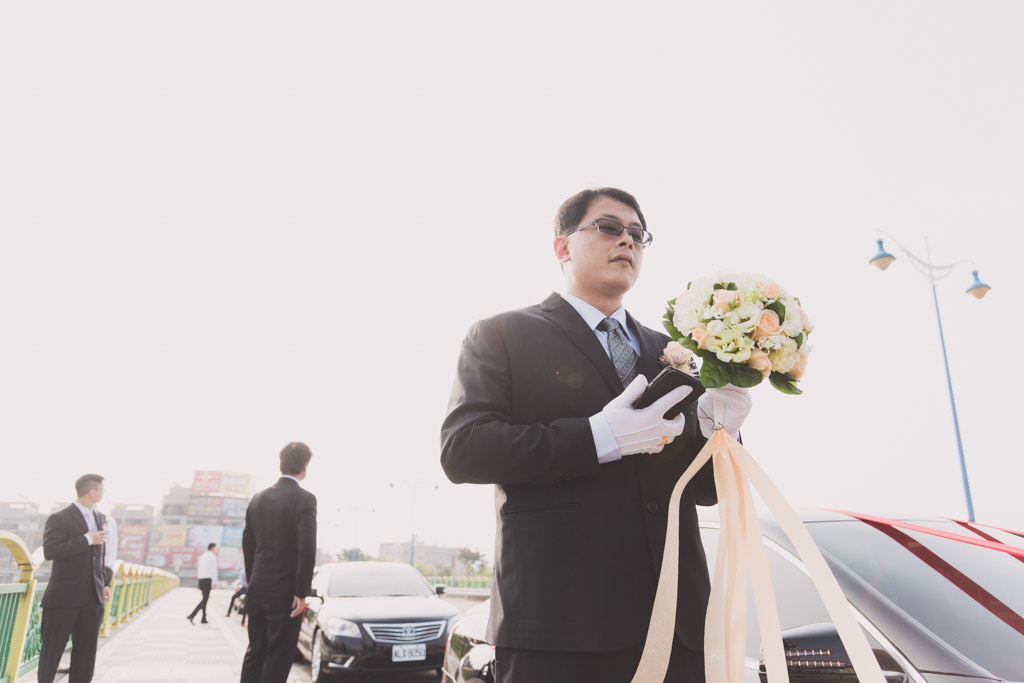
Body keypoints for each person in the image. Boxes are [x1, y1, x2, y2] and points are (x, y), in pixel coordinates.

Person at [440, 188, 753, 683]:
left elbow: (706, 491)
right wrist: (599, 436)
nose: (627, 241)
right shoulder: (501, 334)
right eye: (609, 227)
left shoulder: (674, 351)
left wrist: (723, 434)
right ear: (562, 246)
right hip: (560, 629)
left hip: (675, 627)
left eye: (638, 235)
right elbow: (464, 450)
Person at [239, 442, 317, 683]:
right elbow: (306, 549)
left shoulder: (258, 498)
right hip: (285, 595)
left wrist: (254, 580)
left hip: (257, 590)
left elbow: (248, 545)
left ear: (281, 464)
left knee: (255, 651)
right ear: (305, 467)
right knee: (278, 656)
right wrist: (301, 592)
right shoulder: (305, 499)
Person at [38, 473, 112, 683]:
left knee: (86, 654)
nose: (103, 493)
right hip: (64, 596)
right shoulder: (60, 518)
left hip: (93, 597)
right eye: (101, 489)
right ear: (92, 492)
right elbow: (51, 550)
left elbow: (99, 556)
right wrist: (87, 539)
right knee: (52, 650)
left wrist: (104, 583)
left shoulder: (100, 518)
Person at [187, 543, 218, 624]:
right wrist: (215, 582)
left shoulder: (202, 556)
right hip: (207, 580)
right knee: (205, 599)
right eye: (215, 548)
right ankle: (192, 615)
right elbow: (214, 570)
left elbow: (199, 569)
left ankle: (203, 618)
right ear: (212, 548)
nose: (215, 550)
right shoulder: (212, 556)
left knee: (204, 599)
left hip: (201, 579)